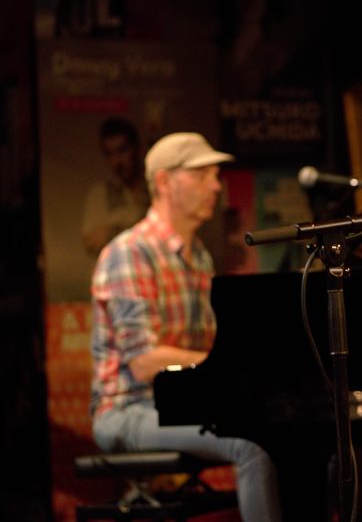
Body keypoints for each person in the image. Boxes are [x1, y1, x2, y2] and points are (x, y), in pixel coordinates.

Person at [89, 132, 282, 521]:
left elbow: (210, 344)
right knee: (252, 443)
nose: (215, 185)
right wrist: (226, 366)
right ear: (164, 182)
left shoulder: (198, 257)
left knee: (291, 430)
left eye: (215, 175)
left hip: (181, 403)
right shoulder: (130, 251)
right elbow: (144, 362)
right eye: (201, 175)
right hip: (128, 408)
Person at [81, 117, 150, 256]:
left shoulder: (157, 189)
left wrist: (112, 232)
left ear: (137, 148)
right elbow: (92, 242)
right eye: (109, 154)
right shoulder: (100, 194)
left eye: (122, 150)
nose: (117, 161)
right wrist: (144, 231)